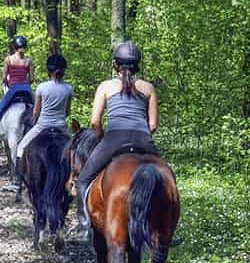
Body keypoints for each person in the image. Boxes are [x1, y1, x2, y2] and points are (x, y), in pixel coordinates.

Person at [73, 40, 158, 237]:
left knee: (84, 178)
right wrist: (141, 138)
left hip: (114, 139)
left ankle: (84, 226)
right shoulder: (148, 88)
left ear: (115, 64)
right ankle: (162, 228)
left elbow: (95, 123)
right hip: (143, 139)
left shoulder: (105, 86)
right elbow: (152, 125)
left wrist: (103, 138)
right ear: (137, 64)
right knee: (166, 178)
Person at [15, 53, 72, 162]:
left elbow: (36, 112)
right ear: (63, 71)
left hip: (42, 125)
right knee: (76, 149)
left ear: (48, 71)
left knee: (20, 148)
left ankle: (17, 178)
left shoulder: (42, 87)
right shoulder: (69, 88)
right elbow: (67, 112)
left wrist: (35, 122)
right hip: (61, 127)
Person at [0, 35, 35, 143]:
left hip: (13, 89)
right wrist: (25, 84)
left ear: (14, 47)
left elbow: (4, 77)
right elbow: (32, 79)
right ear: (25, 47)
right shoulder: (28, 60)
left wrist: (8, 83)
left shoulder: (8, 60)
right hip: (27, 90)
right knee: (37, 110)